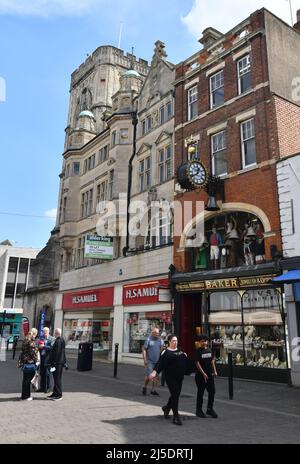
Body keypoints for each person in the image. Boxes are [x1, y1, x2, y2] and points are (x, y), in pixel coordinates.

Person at [149, 334, 188, 426]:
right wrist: (155, 372)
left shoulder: (179, 350)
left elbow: (182, 359)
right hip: (170, 378)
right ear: (169, 342)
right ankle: (176, 416)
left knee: (176, 394)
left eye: (176, 341)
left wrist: (184, 355)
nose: (175, 342)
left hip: (179, 377)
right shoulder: (165, 352)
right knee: (175, 395)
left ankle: (166, 408)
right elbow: (160, 363)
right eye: (174, 341)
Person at [194, 334, 218, 418]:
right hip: (200, 376)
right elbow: (197, 363)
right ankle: (198, 410)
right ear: (200, 342)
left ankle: (209, 409)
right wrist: (203, 373)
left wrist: (215, 371)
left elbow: (212, 361)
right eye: (202, 341)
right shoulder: (198, 351)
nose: (204, 343)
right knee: (201, 392)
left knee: (212, 391)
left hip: (209, 375)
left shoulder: (209, 350)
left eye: (205, 341)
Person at [142, 327, 164, 396]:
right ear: (152, 333)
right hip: (149, 361)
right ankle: (145, 387)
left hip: (157, 361)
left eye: (158, 333)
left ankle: (153, 390)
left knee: (156, 376)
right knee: (149, 376)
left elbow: (161, 350)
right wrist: (145, 359)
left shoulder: (160, 340)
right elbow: (144, 349)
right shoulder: (148, 339)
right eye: (156, 333)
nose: (157, 334)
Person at [19, 331, 40, 400]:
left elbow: (22, 351)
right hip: (30, 362)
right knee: (28, 380)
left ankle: (23, 395)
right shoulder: (31, 342)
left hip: (24, 362)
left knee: (25, 379)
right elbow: (33, 353)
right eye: (35, 335)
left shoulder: (25, 341)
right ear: (33, 335)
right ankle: (26, 396)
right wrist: (37, 360)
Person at [47, 328, 66, 401]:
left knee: (57, 379)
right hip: (59, 363)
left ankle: (59, 394)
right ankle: (55, 393)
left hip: (57, 363)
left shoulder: (58, 341)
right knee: (56, 379)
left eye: (55, 333)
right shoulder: (61, 340)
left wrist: (53, 362)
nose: (54, 334)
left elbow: (57, 353)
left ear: (56, 333)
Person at [36, 327, 55, 393]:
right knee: (42, 373)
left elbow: (52, 348)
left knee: (48, 374)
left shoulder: (52, 339)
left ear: (48, 332)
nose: (45, 333)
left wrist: (44, 346)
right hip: (42, 358)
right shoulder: (41, 338)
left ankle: (48, 388)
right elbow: (38, 346)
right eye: (44, 332)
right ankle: (42, 387)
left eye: (46, 332)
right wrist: (39, 346)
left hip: (48, 359)